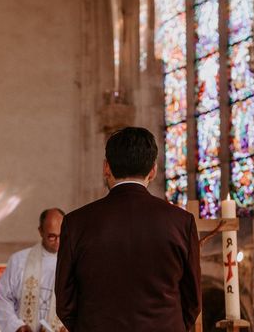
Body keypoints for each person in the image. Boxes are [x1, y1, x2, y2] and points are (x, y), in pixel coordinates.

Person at [55, 127, 202, 331]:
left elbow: (64, 302)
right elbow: (193, 300)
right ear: (153, 170)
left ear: (106, 167)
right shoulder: (182, 222)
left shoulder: (76, 223)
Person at [0, 208, 67, 332]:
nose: (58, 242)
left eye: (61, 236)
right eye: (52, 237)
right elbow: (3, 298)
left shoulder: (74, 264)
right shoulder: (19, 261)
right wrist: (16, 326)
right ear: (41, 231)